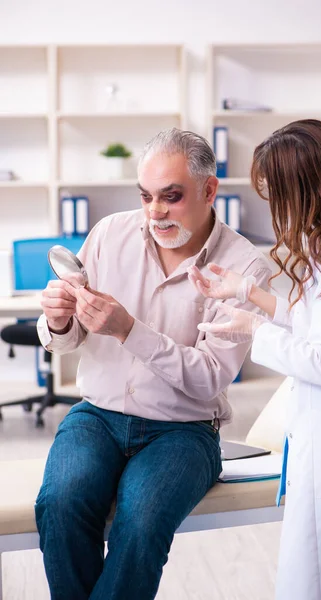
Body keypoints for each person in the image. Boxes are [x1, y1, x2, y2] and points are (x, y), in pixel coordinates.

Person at [35, 128, 271, 600]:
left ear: (209, 190)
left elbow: (209, 379)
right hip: (97, 417)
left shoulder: (245, 269)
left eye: (171, 196)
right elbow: (63, 342)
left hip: (184, 430)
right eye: (146, 196)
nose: (154, 211)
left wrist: (129, 330)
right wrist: (58, 321)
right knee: (60, 503)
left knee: (141, 520)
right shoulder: (108, 234)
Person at [188, 119, 321, 600]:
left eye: (277, 194)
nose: (277, 208)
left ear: (303, 187)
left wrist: (252, 328)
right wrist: (249, 293)